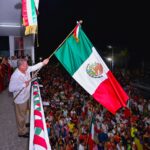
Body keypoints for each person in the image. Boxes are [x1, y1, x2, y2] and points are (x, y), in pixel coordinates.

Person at [9, 57, 49, 138]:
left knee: (25, 113)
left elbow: (34, 67)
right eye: (25, 65)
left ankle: (24, 124)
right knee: (20, 116)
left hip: (26, 96)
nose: (27, 66)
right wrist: (23, 85)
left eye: (27, 65)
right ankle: (22, 132)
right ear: (20, 67)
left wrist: (43, 63)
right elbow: (10, 89)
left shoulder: (26, 69)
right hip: (20, 100)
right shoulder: (15, 75)